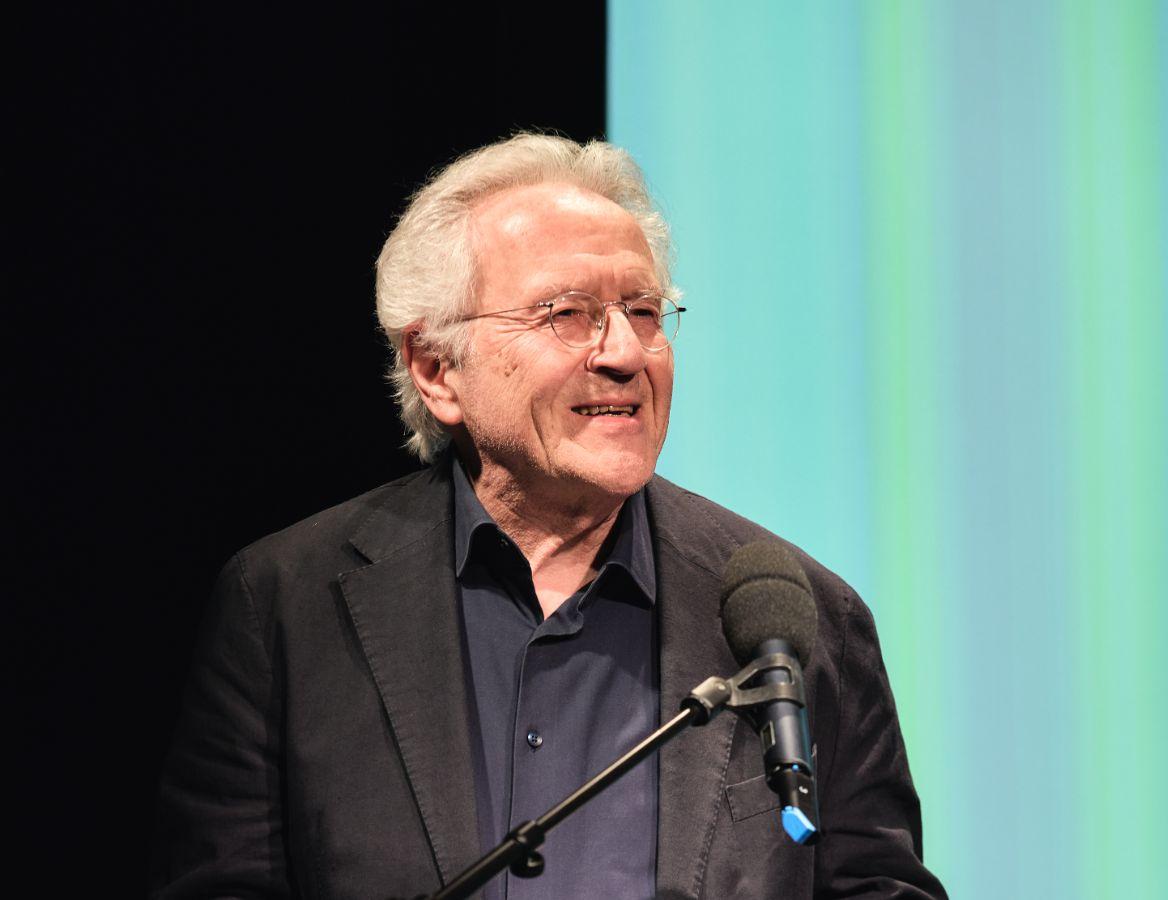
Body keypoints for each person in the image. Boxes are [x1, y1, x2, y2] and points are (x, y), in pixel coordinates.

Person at [152, 134, 947, 899]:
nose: (625, 353)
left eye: (642, 311)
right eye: (567, 313)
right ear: (436, 370)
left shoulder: (803, 615)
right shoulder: (285, 604)